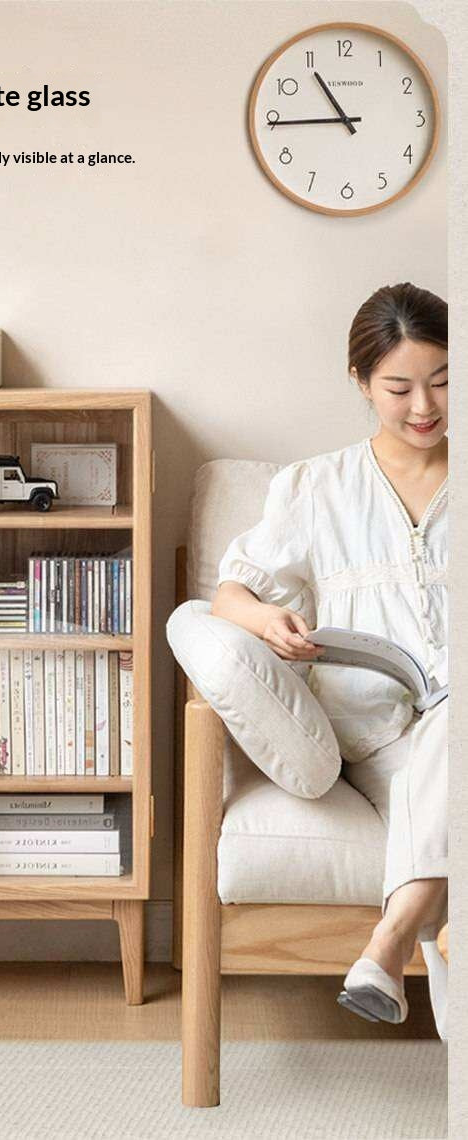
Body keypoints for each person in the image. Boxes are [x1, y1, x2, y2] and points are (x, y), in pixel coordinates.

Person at [211, 282, 448, 1037]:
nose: (424, 408)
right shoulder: (317, 487)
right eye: (399, 388)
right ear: (360, 383)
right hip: (378, 727)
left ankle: (389, 943)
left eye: (444, 382)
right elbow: (228, 595)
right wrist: (267, 620)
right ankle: (403, 941)